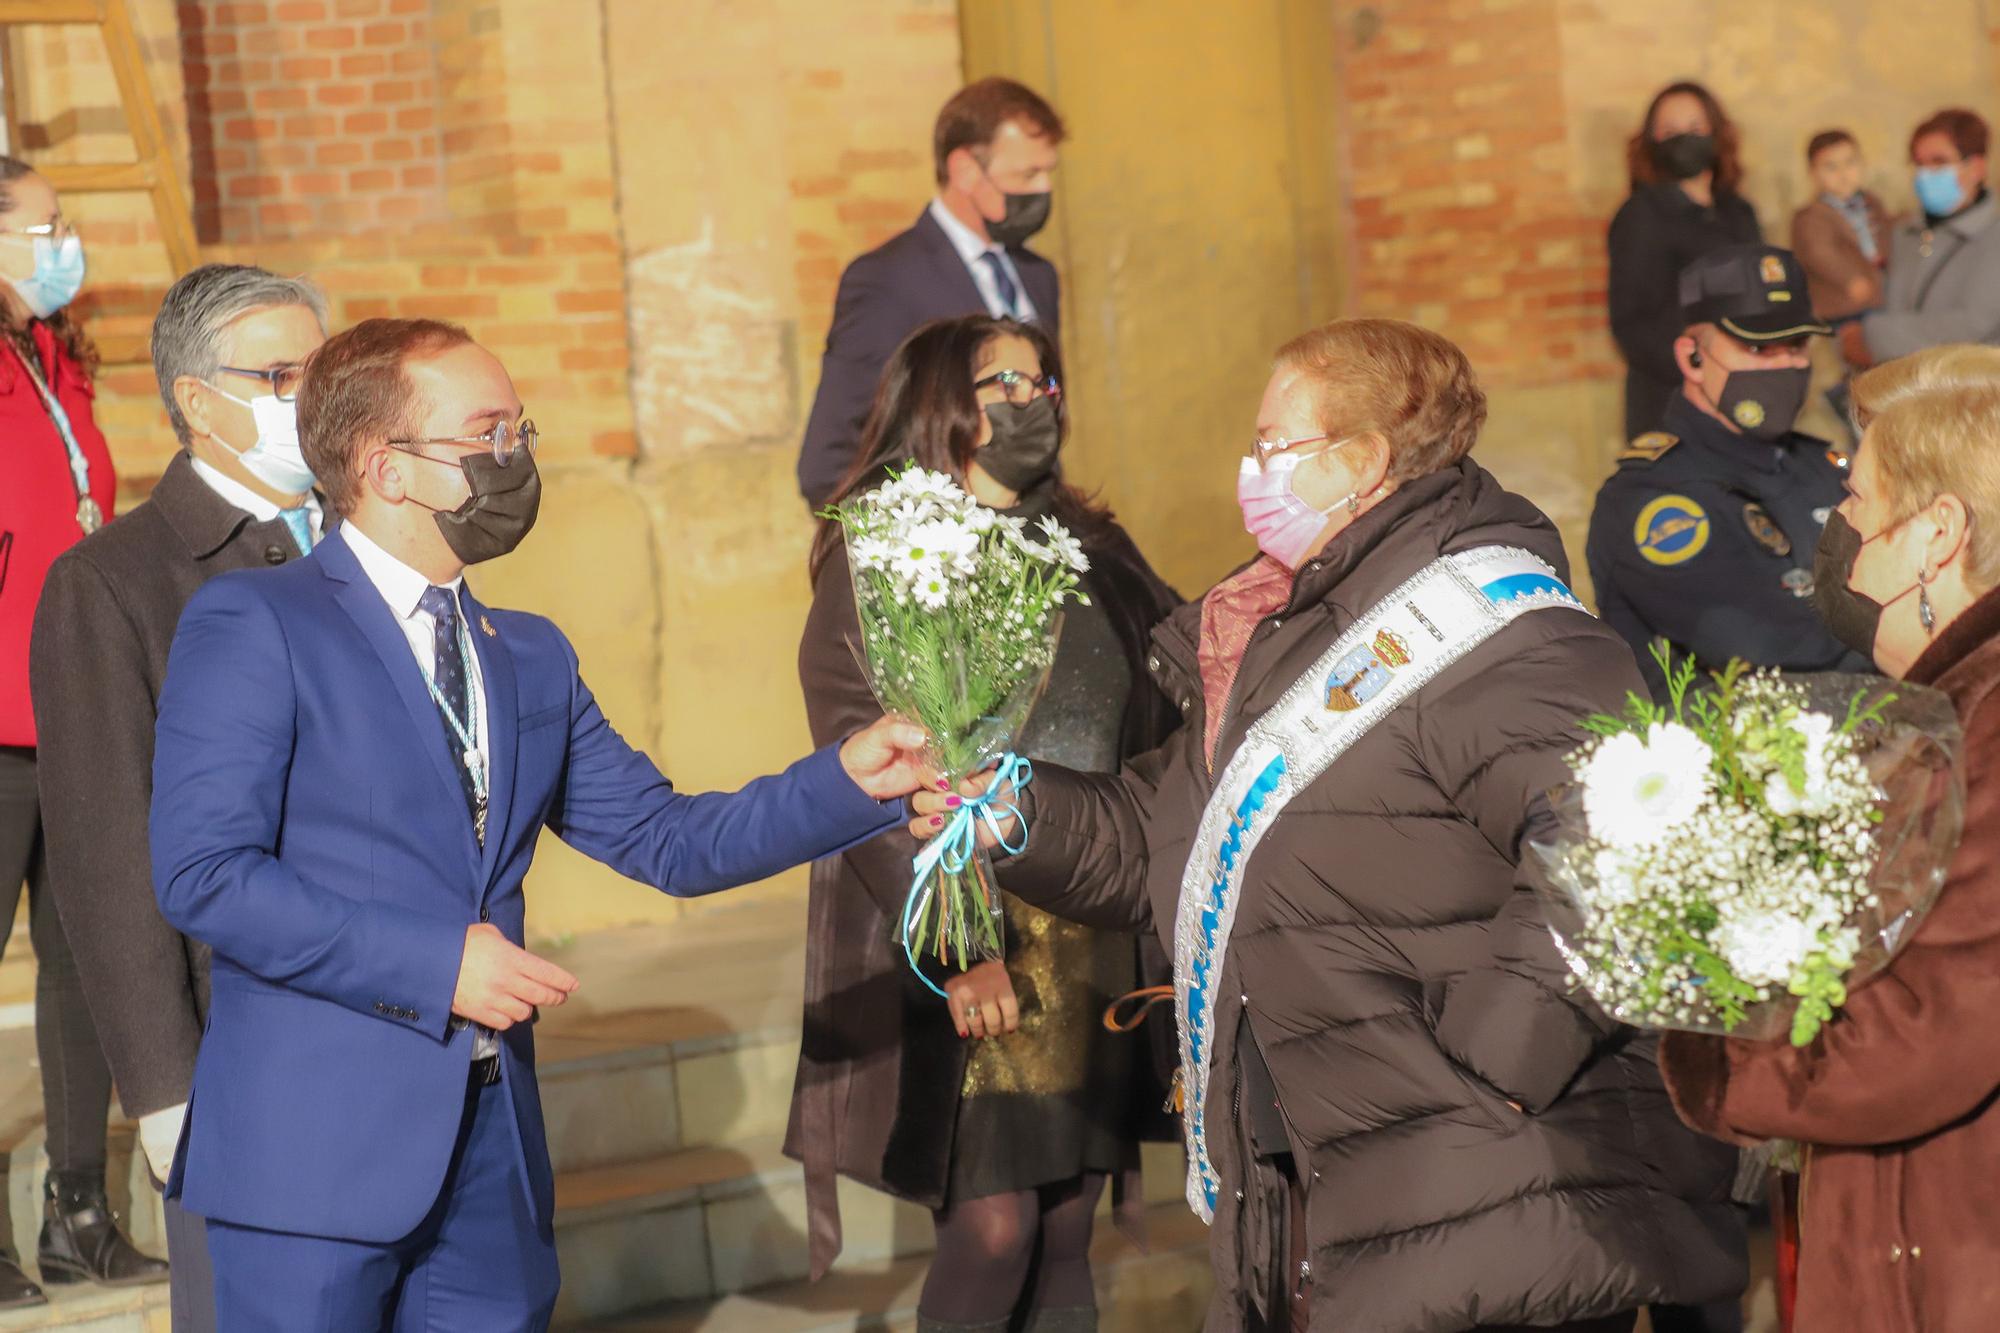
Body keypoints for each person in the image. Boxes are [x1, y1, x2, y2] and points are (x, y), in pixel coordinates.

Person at [913, 318, 1745, 1332]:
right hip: (1320, 1163)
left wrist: (1486, 1069)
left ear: (1361, 461)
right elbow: (1161, 832)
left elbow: (1624, 848)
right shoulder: (1289, 628)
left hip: (1490, 1194)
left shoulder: (1504, 636)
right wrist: (1002, 809)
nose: (1250, 467)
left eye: (1274, 444)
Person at [146, 317, 936, 1331]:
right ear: (389, 469)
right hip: (313, 1160)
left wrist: (845, 780)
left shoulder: (528, 652)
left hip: (491, 1155)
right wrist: (435, 964)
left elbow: (668, 838)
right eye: (488, 435)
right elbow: (206, 875)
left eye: (521, 428)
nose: (516, 456)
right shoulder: (257, 622)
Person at [789, 315, 1180, 1333]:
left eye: (1039, 379)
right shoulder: (880, 551)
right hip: (964, 924)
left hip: (1089, 924)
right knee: (995, 1223)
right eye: (996, 379)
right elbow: (865, 776)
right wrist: (960, 947)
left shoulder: (1089, 542)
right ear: (937, 403)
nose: (1025, 397)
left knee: (1063, 1226)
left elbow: (1184, 669)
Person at [1660, 343, 2000, 1333]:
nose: (1837, 530)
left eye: (1856, 502)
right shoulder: (1941, 707)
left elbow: (1925, 1032)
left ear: (1937, 532)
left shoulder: (1983, 723)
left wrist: (1708, 1043)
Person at [30, 262, 332, 1333]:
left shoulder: (376, 537)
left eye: (325, 368)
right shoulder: (114, 581)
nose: (315, 396)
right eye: (281, 374)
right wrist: (167, 1093)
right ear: (200, 402)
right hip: (246, 1058)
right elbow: (108, 857)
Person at [0, 154, 166, 1310]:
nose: (67, 245)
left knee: (86, 965)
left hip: (78, 711)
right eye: (44, 227)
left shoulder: (57, 357)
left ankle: (79, 1211)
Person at [1589, 244, 1870, 701]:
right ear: (1692, 358)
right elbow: (1774, 648)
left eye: (1796, 345)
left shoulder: (1820, 466)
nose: (1784, 365)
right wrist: (1913, 630)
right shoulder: (1652, 497)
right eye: (1759, 347)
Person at [796, 78, 1064, 506]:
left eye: (1048, 172)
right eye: (1028, 174)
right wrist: (917, 550)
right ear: (964, 170)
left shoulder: (1039, 276)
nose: (1043, 189)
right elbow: (829, 461)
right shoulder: (887, 279)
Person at [1609, 82, 1763, 439]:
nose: (1683, 139)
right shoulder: (1641, 215)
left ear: (1716, 134)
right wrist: (1705, 370)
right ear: (1651, 142)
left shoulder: (1738, 211)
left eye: (1695, 128)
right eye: (1669, 131)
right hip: (1674, 406)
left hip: (1747, 397)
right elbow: (1632, 325)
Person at [1841, 108, 2000, 371]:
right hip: (1900, 391)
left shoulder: (1993, 235)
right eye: (1919, 163)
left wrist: (1870, 336)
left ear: (1977, 167)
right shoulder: (1903, 232)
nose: (1926, 174)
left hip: (1969, 394)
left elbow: (1972, 323)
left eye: (1939, 161)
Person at [1791, 130, 1892, 325]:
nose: (1843, 173)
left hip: (1879, 294)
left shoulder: (1871, 202)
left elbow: (1886, 232)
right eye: (1831, 167)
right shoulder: (1811, 215)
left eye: (1850, 163)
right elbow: (1820, 253)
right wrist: (1850, 279)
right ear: (1813, 173)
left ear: (1862, 164)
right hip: (1842, 303)